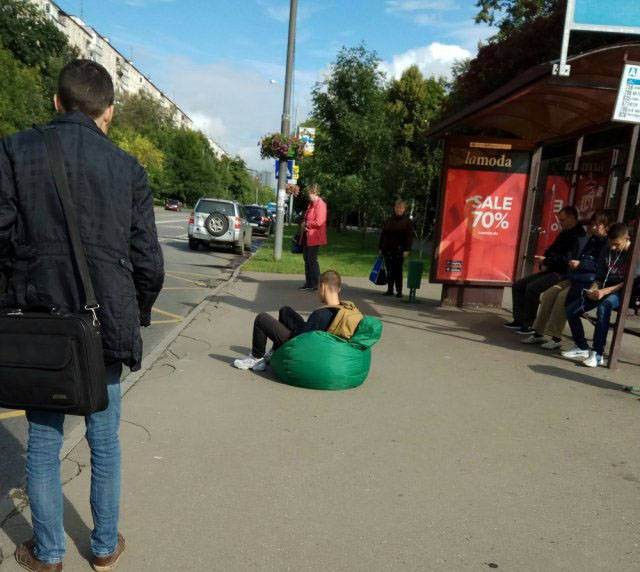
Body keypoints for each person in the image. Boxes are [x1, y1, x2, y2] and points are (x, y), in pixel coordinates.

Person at [0, 60, 164, 571]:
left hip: (38, 323)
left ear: (56, 101)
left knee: (45, 440)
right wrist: (135, 312)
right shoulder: (128, 169)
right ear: (108, 112)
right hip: (103, 326)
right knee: (104, 439)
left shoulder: (13, 151)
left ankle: (48, 554)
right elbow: (149, 263)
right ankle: (102, 547)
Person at [521, 210, 611, 349]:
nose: (593, 227)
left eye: (598, 225)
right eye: (593, 224)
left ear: (606, 226)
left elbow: (601, 266)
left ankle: (555, 337)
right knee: (548, 294)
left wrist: (581, 264)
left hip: (589, 281)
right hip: (576, 276)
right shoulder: (591, 239)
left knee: (561, 298)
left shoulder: (607, 243)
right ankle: (538, 332)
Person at [234, 270, 357, 371]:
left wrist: (290, 333)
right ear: (339, 289)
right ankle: (274, 353)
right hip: (315, 337)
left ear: (323, 287)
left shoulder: (320, 314)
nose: (317, 292)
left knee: (262, 319)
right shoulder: (342, 310)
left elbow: (303, 341)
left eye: (318, 288)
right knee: (285, 311)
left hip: (299, 345)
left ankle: (256, 358)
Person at [505, 206, 585, 335]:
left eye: (563, 220)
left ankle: (529, 324)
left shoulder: (579, 236)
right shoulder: (565, 232)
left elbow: (568, 259)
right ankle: (519, 320)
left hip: (563, 273)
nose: (560, 223)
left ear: (572, 218)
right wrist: (546, 257)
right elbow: (552, 249)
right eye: (559, 220)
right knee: (519, 285)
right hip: (552, 268)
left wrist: (547, 260)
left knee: (532, 287)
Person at [562, 222, 632, 368]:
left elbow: (628, 281)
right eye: (611, 243)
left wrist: (604, 292)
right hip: (602, 288)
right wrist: (594, 288)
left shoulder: (634, 252)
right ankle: (581, 346)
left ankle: (597, 353)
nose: (613, 247)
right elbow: (599, 275)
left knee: (604, 307)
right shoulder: (607, 249)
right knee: (571, 310)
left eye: (617, 244)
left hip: (622, 292)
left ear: (627, 238)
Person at [379, 199, 414, 298]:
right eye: (397, 208)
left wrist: (407, 249)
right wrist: (380, 247)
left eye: (401, 208)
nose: (399, 210)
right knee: (389, 270)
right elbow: (383, 234)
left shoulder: (407, 222)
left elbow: (409, 237)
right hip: (387, 249)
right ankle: (390, 290)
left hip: (400, 250)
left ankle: (399, 291)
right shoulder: (389, 220)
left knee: (397, 271)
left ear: (404, 209)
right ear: (394, 208)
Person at [299, 184, 327, 291]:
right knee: (306, 259)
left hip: (315, 237)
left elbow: (319, 221)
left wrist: (307, 224)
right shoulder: (311, 204)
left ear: (315, 193)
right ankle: (308, 283)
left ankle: (316, 284)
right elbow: (307, 217)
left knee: (312, 260)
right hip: (307, 236)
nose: (308, 196)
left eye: (309, 194)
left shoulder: (321, 204)